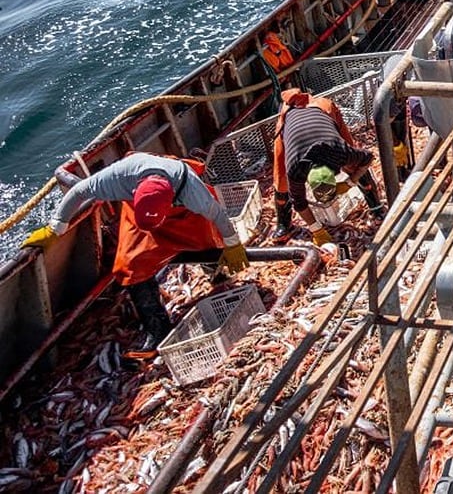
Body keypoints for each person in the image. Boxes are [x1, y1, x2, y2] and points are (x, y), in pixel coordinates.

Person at [21, 153, 250, 356]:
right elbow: (79, 191)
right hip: (139, 216)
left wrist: (232, 245)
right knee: (129, 266)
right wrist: (55, 229)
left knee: (207, 241)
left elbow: (218, 216)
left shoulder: (193, 192)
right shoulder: (117, 179)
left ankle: (218, 277)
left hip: (182, 212)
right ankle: (158, 329)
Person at [273, 88, 384, 246]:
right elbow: (299, 203)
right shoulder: (295, 168)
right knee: (281, 179)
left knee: (354, 165)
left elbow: (367, 158)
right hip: (289, 116)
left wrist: (350, 181)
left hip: (322, 108)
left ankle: (376, 207)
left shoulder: (340, 151)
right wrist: (316, 229)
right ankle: (284, 224)